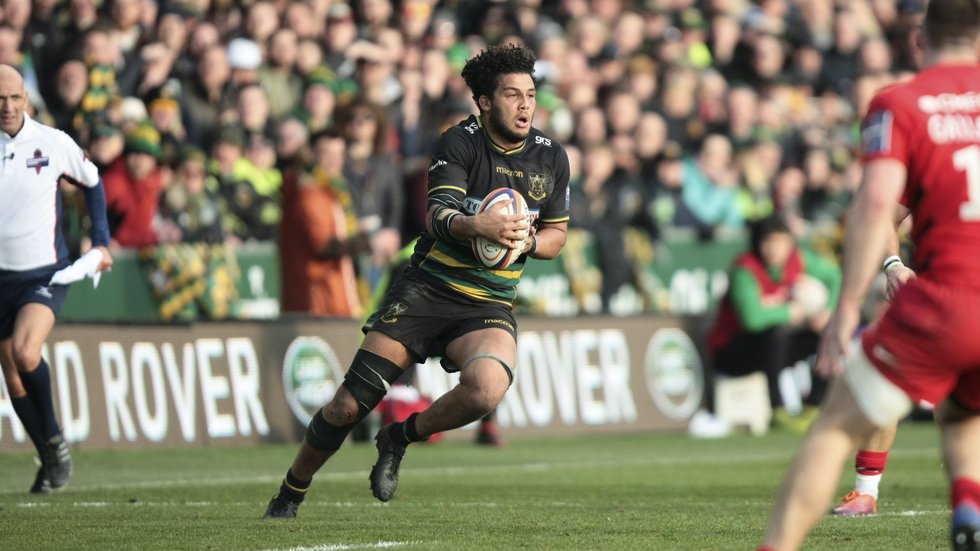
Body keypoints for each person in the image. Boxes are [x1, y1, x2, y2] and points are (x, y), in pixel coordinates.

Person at [263, 43, 569, 518]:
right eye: (512, 95)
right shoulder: (458, 142)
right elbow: (437, 216)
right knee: (347, 406)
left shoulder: (552, 158)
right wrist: (478, 226)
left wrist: (526, 242)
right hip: (427, 291)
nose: (526, 104)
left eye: (530, 94)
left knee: (487, 388)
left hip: (488, 302)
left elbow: (557, 234)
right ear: (485, 102)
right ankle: (290, 492)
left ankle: (400, 436)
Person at [760, 2, 980, 549]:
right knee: (962, 410)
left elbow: (875, 205)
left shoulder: (901, 103)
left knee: (834, 425)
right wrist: (894, 262)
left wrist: (846, 309)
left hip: (949, 300)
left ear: (916, 42)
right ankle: (967, 506)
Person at [0, 64, 113, 493]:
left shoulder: (52, 142)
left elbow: (93, 182)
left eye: (14, 98)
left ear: (26, 99)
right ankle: (49, 450)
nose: (7, 107)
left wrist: (100, 241)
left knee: (26, 352)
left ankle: (54, 446)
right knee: (11, 375)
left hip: (44, 273)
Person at [706, 214, 840, 432]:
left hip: (773, 351)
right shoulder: (745, 271)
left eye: (781, 242)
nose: (774, 249)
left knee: (827, 334)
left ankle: (813, 407)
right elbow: (752, 320)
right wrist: (792, 312)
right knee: (776, 334)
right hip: (733, 352)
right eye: (769, 242)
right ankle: (777, 410)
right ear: (759, 243)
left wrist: (827, 311)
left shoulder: (798, 261)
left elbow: (834, 276)